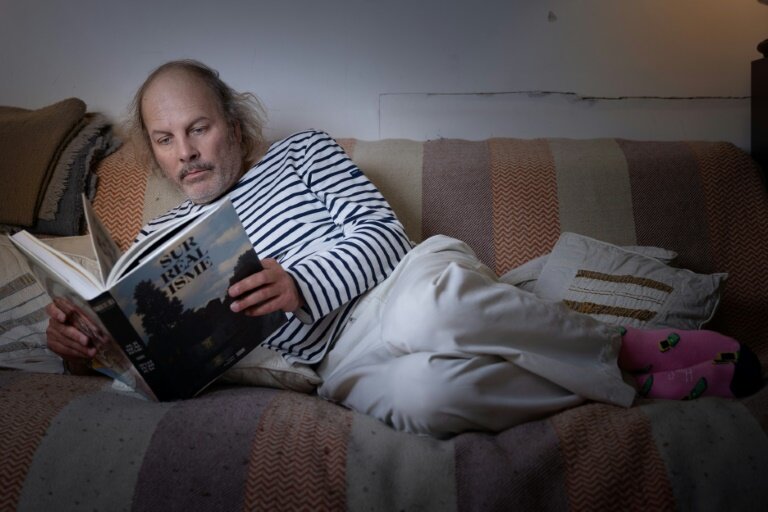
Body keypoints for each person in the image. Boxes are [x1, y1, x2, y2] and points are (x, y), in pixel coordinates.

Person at [45, 60, 762, 437]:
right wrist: (85, 346)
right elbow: (151, 359)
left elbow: (383, 236)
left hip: (397, 291)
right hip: (336, 364)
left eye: (198, 128)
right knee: (427, 399)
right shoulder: (154, 242)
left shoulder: (303, 154)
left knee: (431, 313)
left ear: (231, 122)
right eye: (165, 139)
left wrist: (300, 283)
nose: (186, 153)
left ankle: (620, 348)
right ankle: (634, 387)